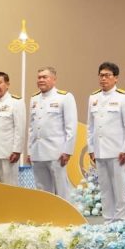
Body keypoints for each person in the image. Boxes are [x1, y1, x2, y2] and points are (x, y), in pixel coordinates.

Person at [87, 62, 125, 222]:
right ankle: (108, 219)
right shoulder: (93, 98)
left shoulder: (124, 97)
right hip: (100, 150)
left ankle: (120, 218)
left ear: (116, 78)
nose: (103, 79)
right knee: (105, 187)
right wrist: (91, 148)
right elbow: (90, 126)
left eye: (107, 75)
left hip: (117, 151)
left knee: (119, 186)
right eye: (101, 75)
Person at [27, 67, 77, 200]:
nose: (41, 80)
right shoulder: (34, 99)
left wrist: (67, 151)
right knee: (42, 190)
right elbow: (32, 127)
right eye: (39, 77)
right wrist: (29, 151)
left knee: (61, 190)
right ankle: (46, 213)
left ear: (54, 79)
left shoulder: (64, 97)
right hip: (37, 152)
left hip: (56, 152)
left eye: (45, 77)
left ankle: (65, 213)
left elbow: (71, 127)